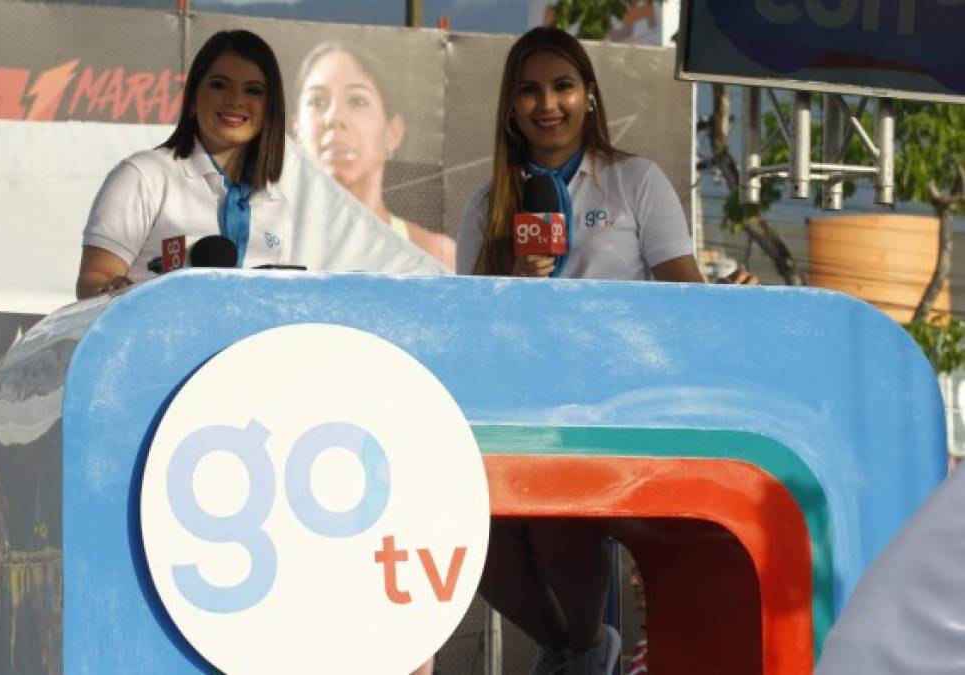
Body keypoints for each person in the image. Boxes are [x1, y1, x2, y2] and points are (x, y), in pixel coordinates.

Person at [456, 26, 753, 675]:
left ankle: (582, 651)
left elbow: (685, 294)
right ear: (510, 107)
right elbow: (470, 324)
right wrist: (513, 277)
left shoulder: (635, 180)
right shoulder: (488, 203)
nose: (547, 103)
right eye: (529, 90)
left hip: (612, 403)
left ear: (589, 95)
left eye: (562, 86)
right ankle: (581, 651)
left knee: (563, 528)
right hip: (517, 407)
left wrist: (731, 301)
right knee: (484, 549)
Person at [76, 29, 291, 299]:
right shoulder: (144, 175)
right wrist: (114, 293)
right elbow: (94, 281)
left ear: (270, 109)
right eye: (219, 84)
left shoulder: (274, 203)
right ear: (192, 99)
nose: (236, 100)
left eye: (253, 90)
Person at [293, 41, 456, 271]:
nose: (334, 117)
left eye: (357, 101)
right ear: (297, 131)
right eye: (317, 101)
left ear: (393, 132)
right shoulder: (264, 246)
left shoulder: (437, 257)